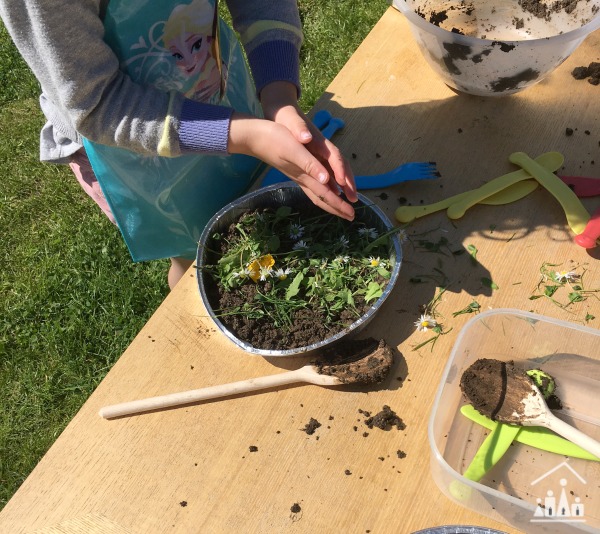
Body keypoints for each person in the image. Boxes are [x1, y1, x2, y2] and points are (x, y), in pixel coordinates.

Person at [0, 0, 357, 289]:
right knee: (194, 253)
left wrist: (279, 100)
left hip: (217, 92)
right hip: (129, 143)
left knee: (246, 206)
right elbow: (96, 102)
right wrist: (249, 135)